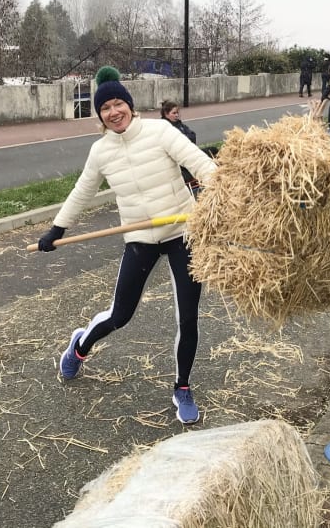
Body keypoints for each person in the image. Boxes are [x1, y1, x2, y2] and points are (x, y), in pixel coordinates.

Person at [37, 67, 217, 424]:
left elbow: (199, 163)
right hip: (140, 238)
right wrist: (57, 229)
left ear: (131, 106)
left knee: (188, 315)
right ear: (100, 116)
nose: (114, 111)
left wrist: (223, 191)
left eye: (119, 103)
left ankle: (182, 387)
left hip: (183, 230)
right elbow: (83, 191)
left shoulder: (160, 130)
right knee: (120, 314)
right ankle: (80, 346)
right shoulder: (101, 151)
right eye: (106, 108)